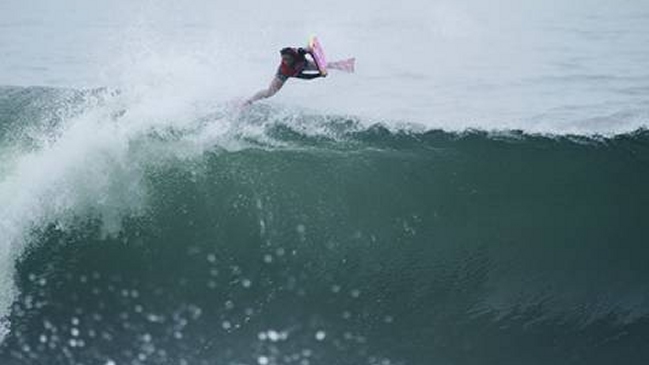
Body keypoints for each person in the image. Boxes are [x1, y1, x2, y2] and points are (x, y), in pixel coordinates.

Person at [245, 47, 325, 105]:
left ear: (293, 56)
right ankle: (249, 100)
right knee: (270, 92)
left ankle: (337, 65)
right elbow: (306, 77)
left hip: (303, 64)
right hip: (282, 75)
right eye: (284, 59)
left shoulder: (297, 53)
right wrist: (319, 75)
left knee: (324, 66)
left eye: (287, 59)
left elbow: (304, 50)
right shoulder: (286, 69)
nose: (286, 61)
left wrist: (310, 51)